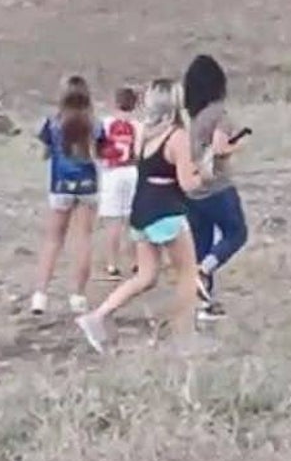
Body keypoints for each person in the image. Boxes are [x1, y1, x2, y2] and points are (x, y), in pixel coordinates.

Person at [76, 80, 202, 352]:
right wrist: (205, 171)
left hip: (142, 211)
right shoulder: (177, 136)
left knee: (146, 276)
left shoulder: (145, 132)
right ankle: (185, 336)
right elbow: (188, 184)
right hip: (168, 211)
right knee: (187, 275)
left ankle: (97, 316)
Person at [183, 54, 249, 320]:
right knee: (236, 233)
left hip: (193, 190)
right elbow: (221, 148)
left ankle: (203, 304)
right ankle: (205, 270)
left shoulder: (195, 118)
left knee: (201, 242)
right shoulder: (219, 114)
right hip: (218, 188)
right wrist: (238, 145)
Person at [32, 81, 105, 315]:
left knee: (53, 240)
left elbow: (44, 154)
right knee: (83, 239)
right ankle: (78, 296)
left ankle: (41, 295)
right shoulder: (94, 124)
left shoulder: (52, 123)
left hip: (60, 184)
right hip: (87, 185)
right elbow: (100, 153)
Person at [98, 86, 140, 278]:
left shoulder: (106, 123)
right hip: (131, 170)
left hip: (112, 172)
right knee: (132, 219)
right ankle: (135, 261)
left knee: (113, 221)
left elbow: (97, 146)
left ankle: (112, 264)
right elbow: (138, 152)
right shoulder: (137, 126)